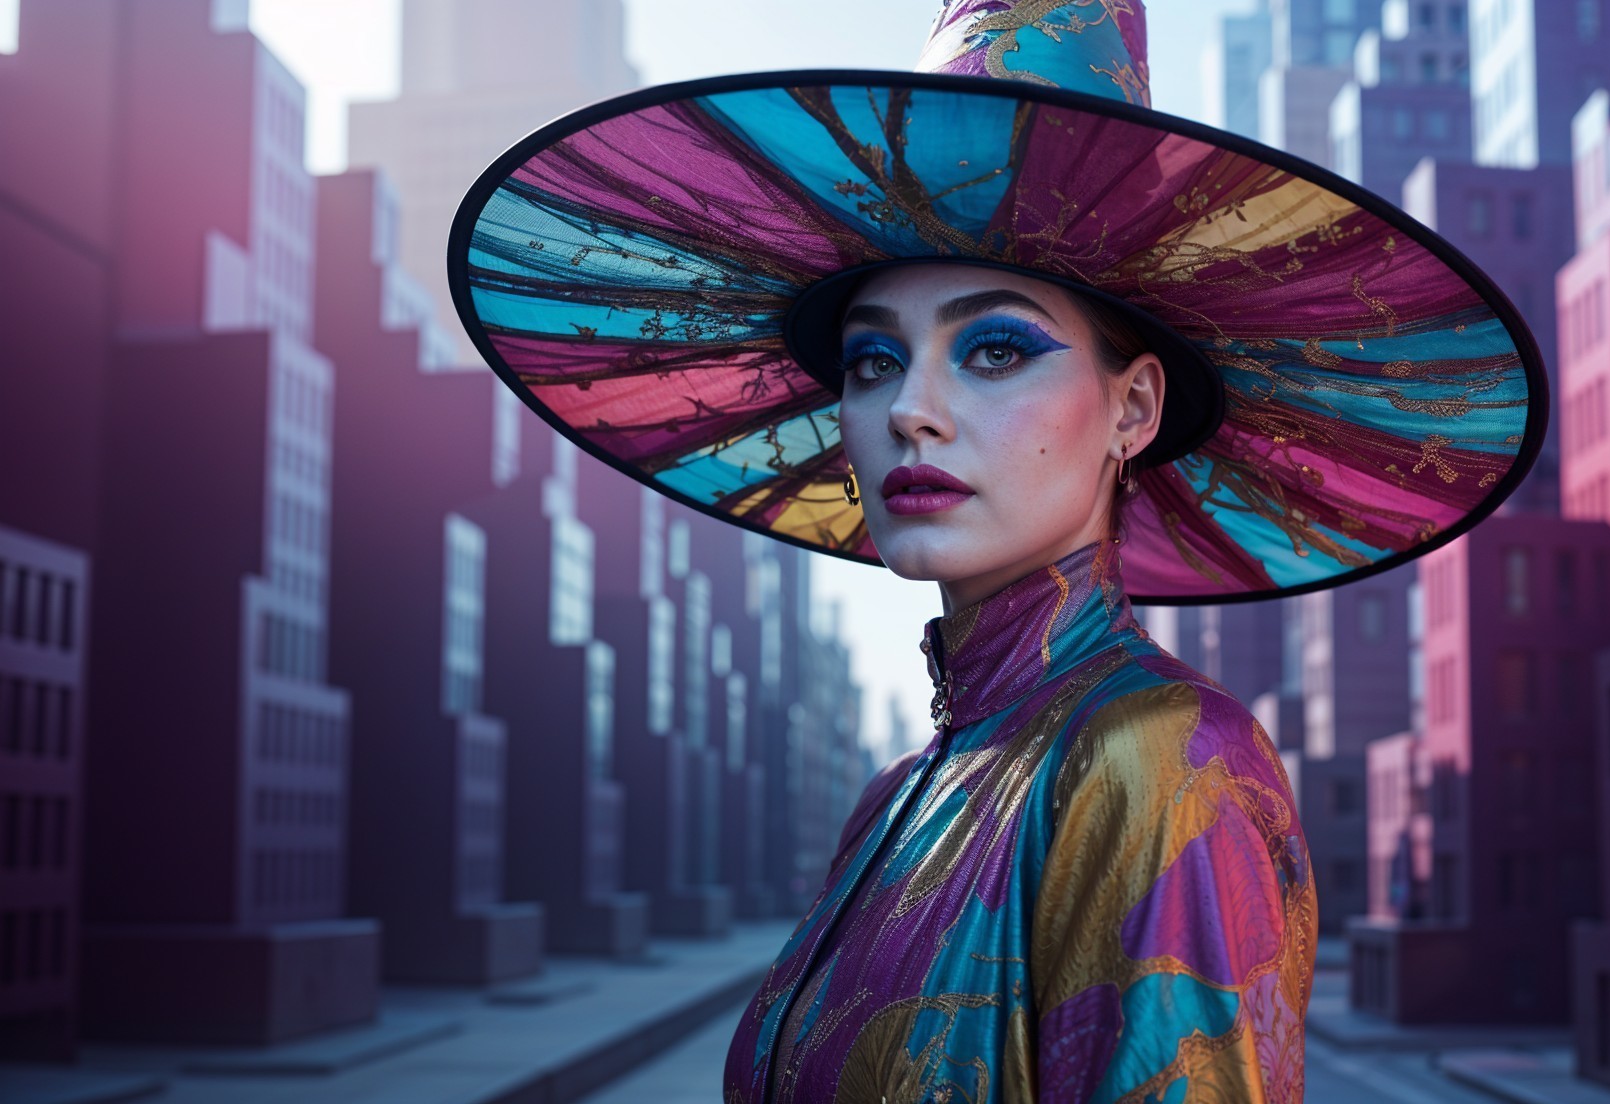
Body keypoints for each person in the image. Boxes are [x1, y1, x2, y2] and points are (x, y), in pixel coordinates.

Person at [448, 2, 1545, 1100]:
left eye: (996, 347)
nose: (911, 411)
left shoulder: (1161, 761)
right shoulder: (895, 798)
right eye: (873, 364)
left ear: (1134, 408)